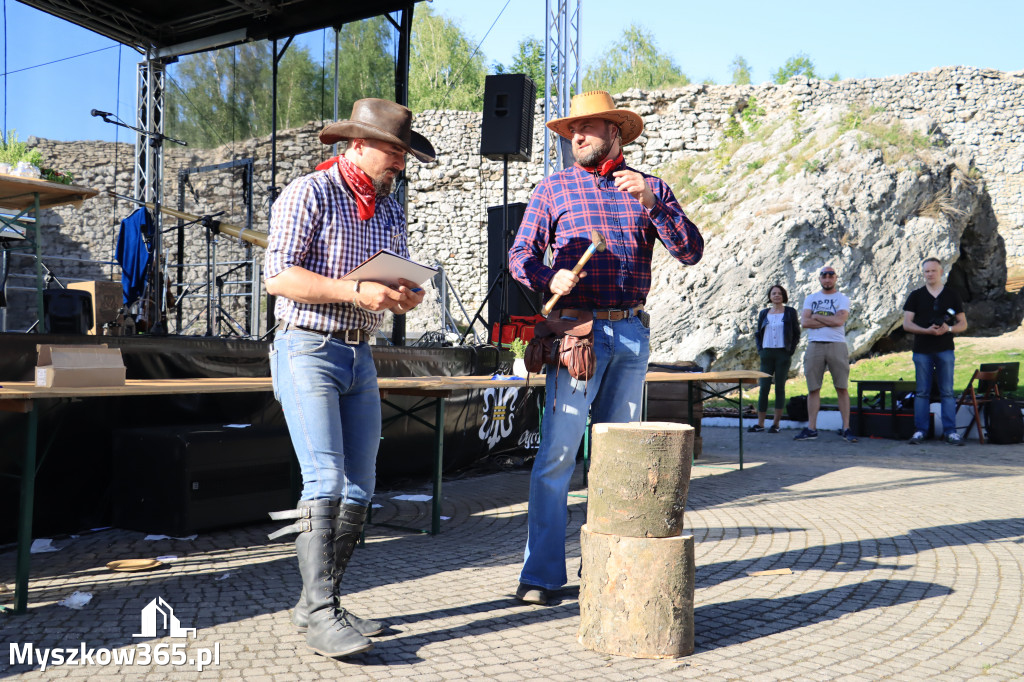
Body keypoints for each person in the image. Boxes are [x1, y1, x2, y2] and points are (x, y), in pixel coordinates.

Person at [508, 90, 704, 605]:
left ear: (616, 132)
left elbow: (691, 252)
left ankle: (608, 570)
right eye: (572, 130)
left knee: (620, 460)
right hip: (578, 335)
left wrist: (656, 202)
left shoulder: (650, 188)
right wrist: (550, 275)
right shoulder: (554, 188)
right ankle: (543, 575)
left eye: (588, 128)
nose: (577, 136)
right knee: (557, 454)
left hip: (632, 335)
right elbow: (519, 256)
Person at [262, 98, 433, 659]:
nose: (400, 163)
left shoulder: (389, 206)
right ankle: (318, 613)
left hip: (360, 353)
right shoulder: (307, 192)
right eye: (392, 150)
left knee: (360, 487)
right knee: (327, 481)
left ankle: (321, 600)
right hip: (306, 346)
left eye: (404, 153)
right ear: (355, 143)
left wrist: (406, 296)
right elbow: (280, 277)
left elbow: (398, 277)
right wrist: (355, 291)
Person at [902, 258, 968, 445]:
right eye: (926, 271)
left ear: (941, 272)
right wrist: (926, 331)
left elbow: (963, 323)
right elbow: (907, 323)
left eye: (933, 270)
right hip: (922, 349)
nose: (929, 274)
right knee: (922, 392)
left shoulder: (952, 295)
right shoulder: (915, 295)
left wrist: (947, 329)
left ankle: (950, 431)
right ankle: (920, 431)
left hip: (945, 349)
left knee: (947, 391)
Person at [794, 266, 857, 443]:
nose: (827, 279)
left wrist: (817, 317)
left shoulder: (842, 299)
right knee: (813, 388)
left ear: (835, 278)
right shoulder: (811, 298)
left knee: (842, 387)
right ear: (820, 279)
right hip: (815, 345)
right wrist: (826, 320)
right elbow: (805, 322)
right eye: (824, 276)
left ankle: (846, 427)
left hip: (837, 344)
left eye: (831, 276)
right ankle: (811, 428)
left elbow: (839, 321)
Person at [750, 284, 800, 433]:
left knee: (780, 387)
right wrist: (761, 350)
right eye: (774, 293)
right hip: (767, 354)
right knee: (763, 387)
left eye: (779, 293)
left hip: (782, 354)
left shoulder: (790, 312)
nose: (776, 295)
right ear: (770, 297)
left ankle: (776, 424)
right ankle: (760, 424)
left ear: (783, 296)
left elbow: (796, 333)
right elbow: (758, 333)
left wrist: (789, 351)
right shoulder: (764, 313)